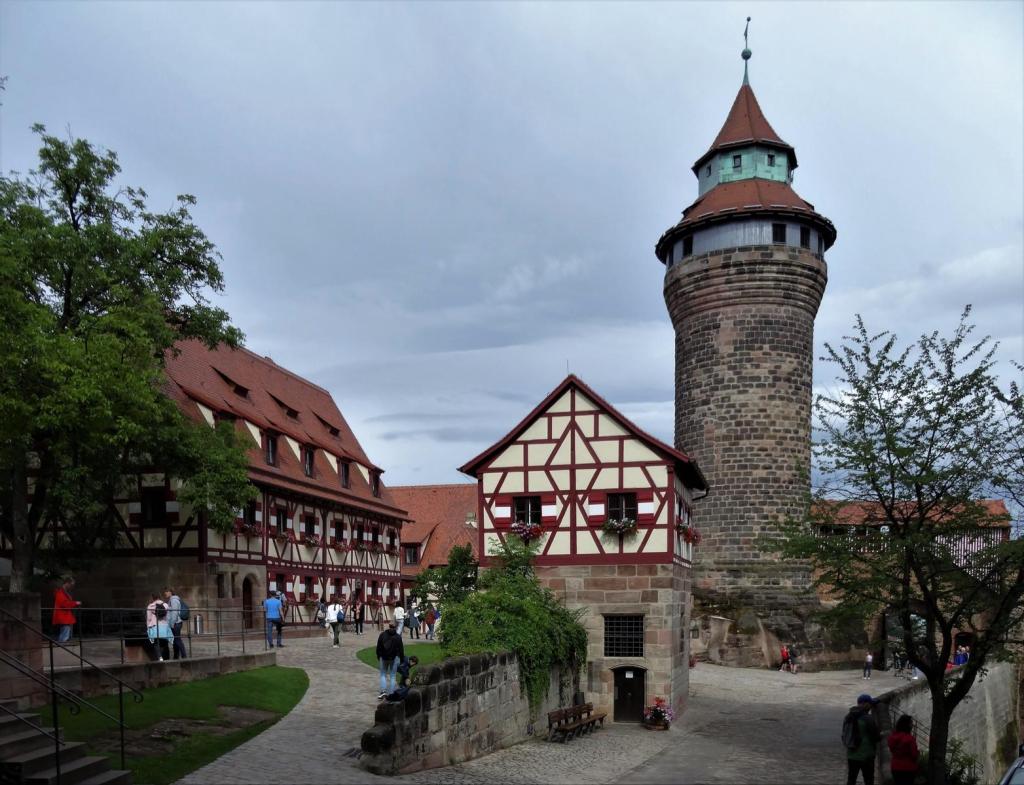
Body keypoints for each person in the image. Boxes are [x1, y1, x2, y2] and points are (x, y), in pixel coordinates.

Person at [843, 693, 881, 785]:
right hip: (866, 754)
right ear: (865, 704)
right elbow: (876, 737)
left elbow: (845, 733)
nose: (871, 706)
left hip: (852, 753)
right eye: (870, 704)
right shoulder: (868, 718)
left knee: (851, 779)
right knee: (868, 780)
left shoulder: (848, 716)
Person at [375, 621, 405, 699]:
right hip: (394, 658)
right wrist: (402, 659)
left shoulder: (382, 635)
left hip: (383, 657)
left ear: (389, 626)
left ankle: (383, 691)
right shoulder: (398, 637)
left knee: (383, 675)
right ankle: (391, 693)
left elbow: (378, 647)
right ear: (395, 627)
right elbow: (401, 649)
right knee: (392, 676)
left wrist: (379, 656)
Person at [888, 714, 919, 785]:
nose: (912, 725)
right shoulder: (910, 739)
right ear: (907, 725)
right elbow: (914, 755)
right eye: (911, 723)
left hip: (895, 767)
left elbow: (891, 749)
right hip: (908, 768)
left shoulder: (892, 737)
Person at [52, 577, 82, 643]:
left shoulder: (63, 592)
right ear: (67, 583)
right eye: (71, 585)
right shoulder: (60, 592)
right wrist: (75, 603)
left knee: (65, 633)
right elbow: (64, 604)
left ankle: (62, 646)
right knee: (64, 634)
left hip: (65, 616)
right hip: (63, 616)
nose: (72, 586)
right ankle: (62, 647)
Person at [146, 593, 173, 661]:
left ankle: (160, 657)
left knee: (156, 643)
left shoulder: (150, 606)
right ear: (159, 597)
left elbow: (149, 619)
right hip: (164, 626)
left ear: (152, 598)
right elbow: (169, 617)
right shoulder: (166, 605)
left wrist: (148, 627)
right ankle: (166, 658)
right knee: (165, 643)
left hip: (155, 626)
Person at [162, 587, 187, 660]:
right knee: (175, 640)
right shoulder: (171, 600)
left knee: (177, 640)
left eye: (166, 592)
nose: (165, 593)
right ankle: (176, 656)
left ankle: (184, 656)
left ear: (170, 592)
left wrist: (171, 624)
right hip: (175, 623)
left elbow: (175, 613)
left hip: (176, 623)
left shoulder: (174, 600)